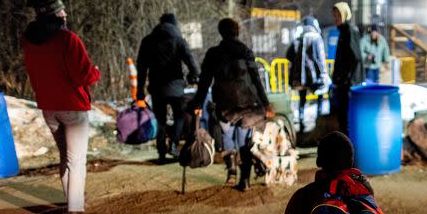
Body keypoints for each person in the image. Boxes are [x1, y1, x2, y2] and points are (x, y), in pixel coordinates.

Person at [22, 0, 101, 214]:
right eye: (61, 10)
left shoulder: (29, 40)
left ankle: (71, 205)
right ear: (56, 14)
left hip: (48, 106)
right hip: (72, 106)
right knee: (76, 160)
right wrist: (96, 71)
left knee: (65, 157)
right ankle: (75, 212)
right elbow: (83, 75)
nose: (65, 13)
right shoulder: (68, 39)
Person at [191, 18, 271, 191]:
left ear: (221, 32)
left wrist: (198, 103)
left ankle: (231, 173)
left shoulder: (214, 53)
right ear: (237, 32)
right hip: (248, 104)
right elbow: (256, 80)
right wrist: (265, 103)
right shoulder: (246, 51)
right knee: (244, 140)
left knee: (227, 135)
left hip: (225, 105)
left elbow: (204, 81)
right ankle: (245, 180)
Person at [136, 13, 200, 163]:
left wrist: (140, 90)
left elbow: (141, 67)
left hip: (156, 87)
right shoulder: (178, 40)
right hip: (175, 86)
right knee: (179, 116)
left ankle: (161, 153)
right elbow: (191, 60)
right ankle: (174, 143)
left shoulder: (148, 41)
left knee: (160, 119)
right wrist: (193, 75)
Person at [286, 16, 329, 133]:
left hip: (300, 78)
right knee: (320, 97)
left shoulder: (298, 39)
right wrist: (324, 74)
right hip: (314, 77)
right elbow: (320, 59)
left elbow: (288, 55)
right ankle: (318, 123)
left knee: (302, 100)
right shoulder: (316, 38)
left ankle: (301, 124)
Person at [330, 2, 364, 135]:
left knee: (346, 119)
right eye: (334, 16)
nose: (335, 19)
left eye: (338, 15)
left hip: (348, 85)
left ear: (344, 14)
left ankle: (348, 149)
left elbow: (355, 57)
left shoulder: (349, 31)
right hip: (344, 83)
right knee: (343, 118)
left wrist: (345, 78)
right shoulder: (344, 31)